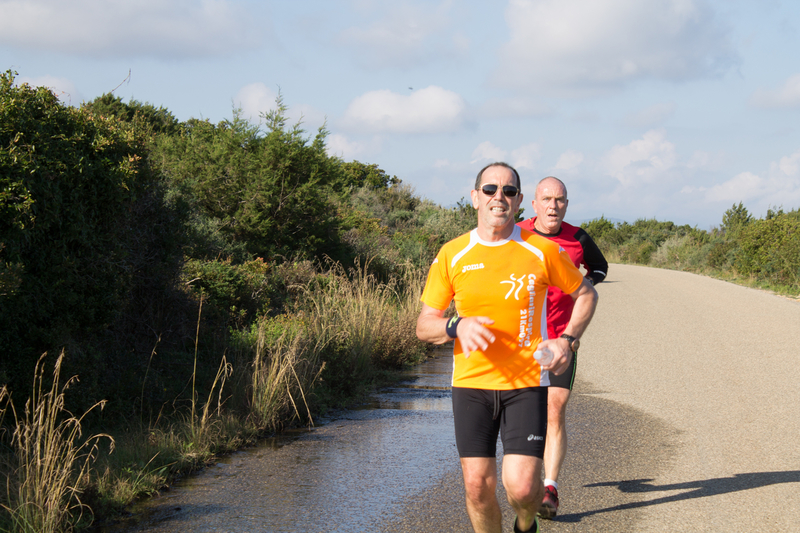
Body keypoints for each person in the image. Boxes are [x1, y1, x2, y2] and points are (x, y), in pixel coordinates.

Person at [416, 163, 598, 533]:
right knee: (477, 486)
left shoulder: (541, 250)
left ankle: (526, 523)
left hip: (526, 383)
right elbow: (424, 325)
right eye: (490, 189)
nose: (499, 197)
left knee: (523, 488)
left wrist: (568, 339)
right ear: (474, 198)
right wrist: (457, 325)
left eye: (509, 191)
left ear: (518, 202)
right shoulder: (453, 254)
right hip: (471, 384)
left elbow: (585, 294)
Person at [517, 176, 608, 519]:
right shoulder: (518, 233)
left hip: (561, 339)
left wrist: (579, 286)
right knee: (526, 412)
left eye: (561, 200)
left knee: (555, 408)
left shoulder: (578, 237)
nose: (554, 206)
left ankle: (549, 488)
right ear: (534, 204)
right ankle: (523, 480)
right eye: (548, 199)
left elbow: (600, 267)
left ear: (566, 204)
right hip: (522, 341)